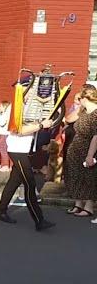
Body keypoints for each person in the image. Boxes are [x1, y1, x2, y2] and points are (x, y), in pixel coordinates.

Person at [0, 76, 56, 231]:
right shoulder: (15, 108)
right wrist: (41, 125)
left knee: (13, 183)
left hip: (22, 150)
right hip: (17, 150)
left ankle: (0, 211)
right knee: (30, 183)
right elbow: (19, 131)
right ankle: (39, 220)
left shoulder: (28, 107)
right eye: (28, 90)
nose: (31, 93)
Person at [63, 85, 97, 219]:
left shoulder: (95, 114)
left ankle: (88, 207)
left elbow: (96, 136)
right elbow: (68, 119)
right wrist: (78, 107)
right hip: (75, 147)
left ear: (85, 98)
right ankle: (78, 204)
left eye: (80, 98)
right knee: (74, 175)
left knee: (88, 177)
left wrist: (90, 155)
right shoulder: (82, 110)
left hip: (88, 147)